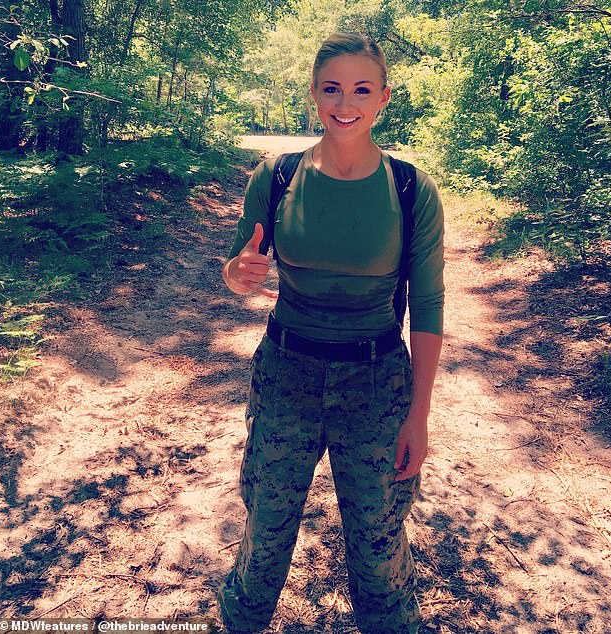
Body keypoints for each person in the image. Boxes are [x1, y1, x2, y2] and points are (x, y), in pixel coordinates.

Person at [217, 32, 444, 634]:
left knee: (378, 543)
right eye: (332, 88)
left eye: (362, 89)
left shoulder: (410, 189)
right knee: (265, 531)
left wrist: (418, 415)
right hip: (286, 373)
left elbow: (428, 307)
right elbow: (238, 269)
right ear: (314, 94)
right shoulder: (276, 177)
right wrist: (238, 275)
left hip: (376, 383)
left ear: (384, 97)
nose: (346, 103)